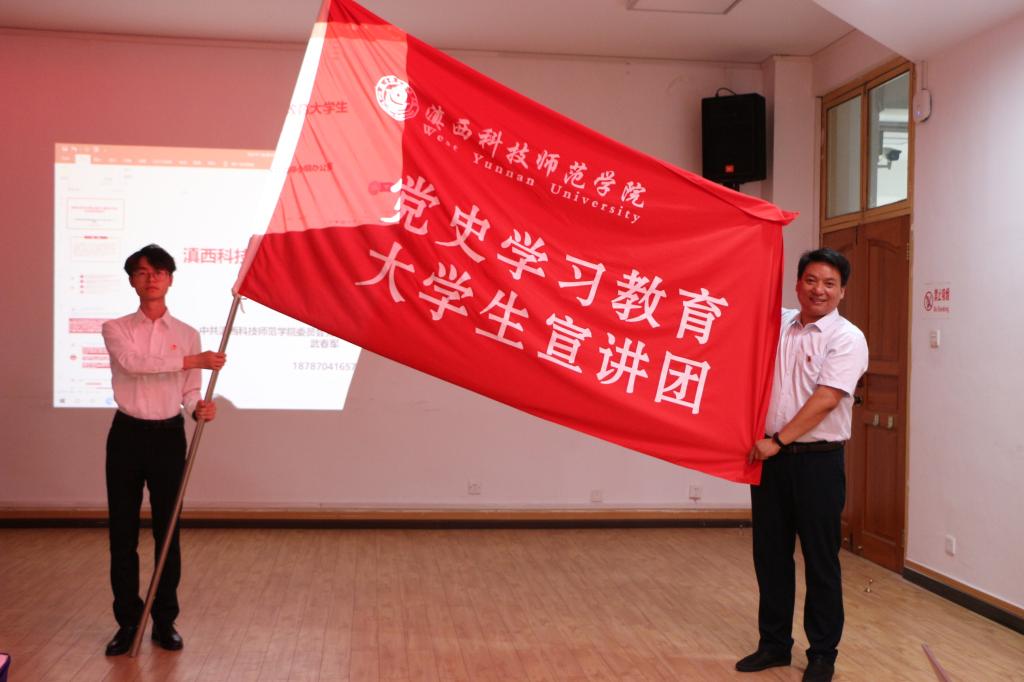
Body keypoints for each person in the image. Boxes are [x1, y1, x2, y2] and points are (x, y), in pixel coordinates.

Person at [735, 248, 868, 682]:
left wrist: (777, 441)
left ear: (842, 292)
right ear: (797, 284)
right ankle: (774, 644)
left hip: (818, 463)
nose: (819, 290)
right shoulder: (780, 324)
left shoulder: (847, 338)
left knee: (820, 560)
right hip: (771, 464)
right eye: (811, 280)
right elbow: (738, 298)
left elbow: (827, 398)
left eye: (829, 283)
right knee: (770, 555)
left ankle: (822, 655)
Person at [100, 244, 226, 656]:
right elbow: (134, 363)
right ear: (132, 281)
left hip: (169, 436)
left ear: (170, 279)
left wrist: (199, 408)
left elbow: (189, 391)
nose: (150, 278)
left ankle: (164, 621)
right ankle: (128, 622)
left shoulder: (187, 333)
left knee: (167, 533)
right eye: (141, 272)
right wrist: (192, 360)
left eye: (158, 272)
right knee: (122, 534)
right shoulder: (116, 328)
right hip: (127, 435)